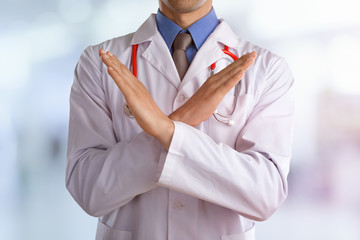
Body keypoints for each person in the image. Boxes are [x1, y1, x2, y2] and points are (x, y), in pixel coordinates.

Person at [66, 0, 294, 239]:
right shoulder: (98, 63)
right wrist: (183, 121)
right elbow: (89, 190)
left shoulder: (268, 70)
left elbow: (265, 195)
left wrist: (167, 130)